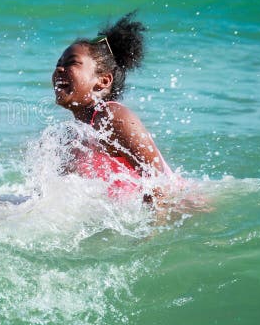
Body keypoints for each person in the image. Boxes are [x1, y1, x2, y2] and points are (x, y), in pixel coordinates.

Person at [52, 11, 172, 201]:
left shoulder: (112, 117)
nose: (59, 69)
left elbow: (159, 183)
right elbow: (54, 199)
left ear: (103, 80)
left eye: (71, 63)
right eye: (58, 64)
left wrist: (154, 231)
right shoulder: (71, 136)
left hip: (185, 209)